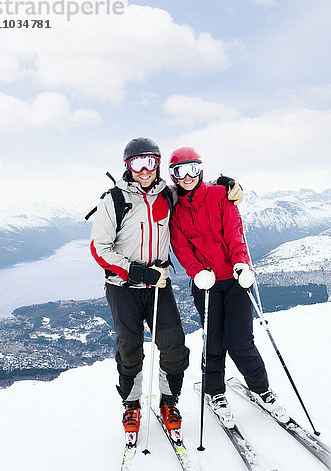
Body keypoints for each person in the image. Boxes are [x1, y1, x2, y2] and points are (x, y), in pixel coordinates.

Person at [169, 146, 288, 427]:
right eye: (180, 171)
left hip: (234, 280)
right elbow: (181, 246)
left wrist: (241, 264)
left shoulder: (220, 195)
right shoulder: (176, 210)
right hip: (206, 284)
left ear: (200, 169)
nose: (187, 176)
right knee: (214, 341)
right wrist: (197, 272)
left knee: (241, 342)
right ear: (174, 176)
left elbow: (234, 232)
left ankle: (263, 390)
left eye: (192, 169)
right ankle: (215, 393)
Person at [90, 137, 190, 439]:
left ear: (158, 164)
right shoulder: (114, 199)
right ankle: (131, 404)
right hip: (123, 287)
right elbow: (99, 249)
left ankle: (168, 401)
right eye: (137, 163)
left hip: (159, 286)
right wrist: (139, 272)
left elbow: (194, 186)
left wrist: (226, 184)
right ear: (127, 166)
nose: (144, 169)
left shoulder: (167, 195)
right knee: (130, 348)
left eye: (150, 162)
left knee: (173, 346)